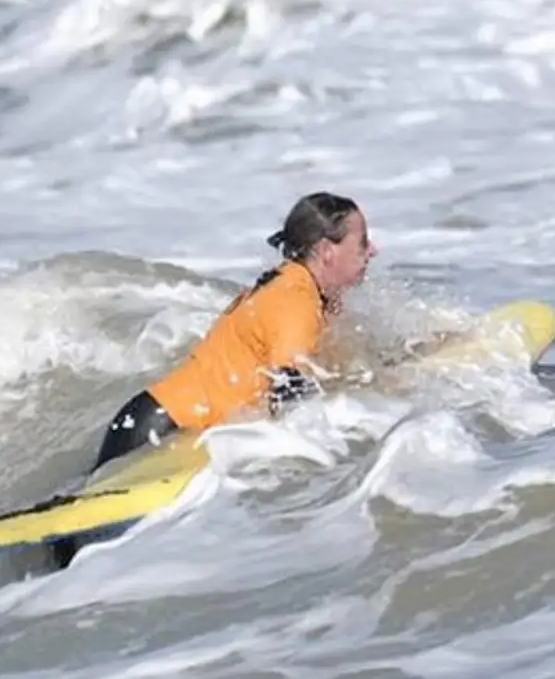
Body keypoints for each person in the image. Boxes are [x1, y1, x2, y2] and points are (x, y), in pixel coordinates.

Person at [92, 191, 377, 471]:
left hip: (163, 425)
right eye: (362, 242)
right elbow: (289, 388)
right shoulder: (296, 300)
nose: (373, 251)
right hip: (158, 434)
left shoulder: (307, 290)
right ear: (327, 251)